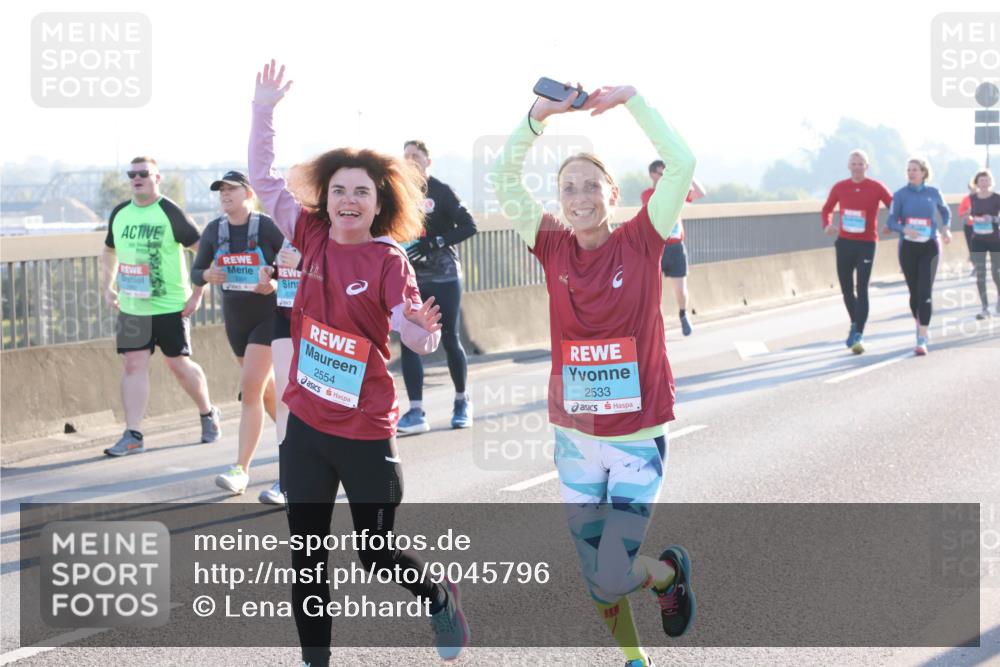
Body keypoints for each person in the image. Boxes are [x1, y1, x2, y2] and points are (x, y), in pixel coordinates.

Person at [249, 60, 469, 666]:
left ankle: (436, 596)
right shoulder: (310, 231)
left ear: (378, 204)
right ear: (327, 197)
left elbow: (408, 329)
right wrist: (263, 108)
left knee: (374, 551)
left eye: (361, 192)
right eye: (339, 190)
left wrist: (421, 333)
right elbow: (264, 180)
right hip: (308, 427)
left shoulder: (386, 259)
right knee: (307, 558)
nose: (348, 200)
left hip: (366, 428)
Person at [494, 82, 696, 667]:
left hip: (635, 439)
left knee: (613, 570)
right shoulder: (552, 245)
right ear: (559, 201)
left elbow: (681, 163)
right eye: (568, 188)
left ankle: (666, 574)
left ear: (613, 192)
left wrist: (633, 100)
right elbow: (504, 181)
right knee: (595, 573)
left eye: (591, 186)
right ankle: (634, 659)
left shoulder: (643, 238)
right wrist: (537, 118)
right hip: (576, 441)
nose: (580, 197)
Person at [101, 156, 221, 456]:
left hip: (170, 305)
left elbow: (203, 250)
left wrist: (197, 293)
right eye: (132, 174)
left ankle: (208, 413)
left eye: (143, 173)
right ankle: (133, 434)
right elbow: (108, 250)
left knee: (177, 364)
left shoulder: (169, 211)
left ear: (157, 178)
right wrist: (107, 286)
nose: (136, 178)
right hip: (132, 306)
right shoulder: (121, 213)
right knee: (133, 364)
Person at [191, 170, 285, 494]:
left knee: (250, 388)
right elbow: (197, 270)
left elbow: (293, 264)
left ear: (249, 194)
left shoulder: (267, 227)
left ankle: (240, 469)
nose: (225, 195)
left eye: (231, 189)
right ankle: (305, 446)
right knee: (268, 392)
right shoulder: (214, 230)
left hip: (269, 316)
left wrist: (273, 282)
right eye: (221, 191)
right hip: (236, 322)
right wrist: (208, 273)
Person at [396, 140, 478, 434]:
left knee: (449, 339)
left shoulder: (441, 191)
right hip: (411, 279)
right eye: (405, 156)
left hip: (444, 276)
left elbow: (469, 225)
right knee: (409, 340)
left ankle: (461, 401)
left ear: (428, 162)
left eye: (415, 156)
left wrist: (435, 242)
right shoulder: (396, 193)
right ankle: (416, 411)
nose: (409, 161)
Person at [820, 150, 893, 354]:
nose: (857, 167)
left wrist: (890, 224)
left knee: (862, 288)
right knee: (846, 289)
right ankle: (855, 323)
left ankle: (858, 333)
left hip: (866, 244)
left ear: (867, 167)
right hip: (844, 243)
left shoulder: (876, 187)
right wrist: (827, 224)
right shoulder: (840, 187)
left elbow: (894, 206)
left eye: (861, 164)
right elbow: (826, 209)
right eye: (854, 164)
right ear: (848, 166)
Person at [886, 158, 951, 356]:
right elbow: (891, 220)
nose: (911, 173)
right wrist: (904, 228)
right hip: (908, 248)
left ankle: (922, 337)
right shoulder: (900, 195)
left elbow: (945, 212)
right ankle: (920, 321)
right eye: (908, 170)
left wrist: (946, 228)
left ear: (924, 172)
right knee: (914, 292)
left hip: (930, 245)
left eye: (915, 169)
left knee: (925, 291)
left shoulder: (933, 193)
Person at [641, 161, 704, 337]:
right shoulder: (648, 195)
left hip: (676, 247)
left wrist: (686, 173)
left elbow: (700, 193)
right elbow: (658, 205)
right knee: (652, 290)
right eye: (663, 173)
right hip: (657, 247)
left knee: (680, 290)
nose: (666, 177)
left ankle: (683, 314)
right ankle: (653, 324)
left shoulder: (677, 192)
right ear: (654, 175)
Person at [967, 169, 1000, 319]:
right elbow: (969, 215)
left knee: (996, 273)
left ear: (990, 182)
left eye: (986, 180)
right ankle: (984, 308)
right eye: (981, 180)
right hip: (978, 239)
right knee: (981, 274)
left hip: (995, 240)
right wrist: (971, 218)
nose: (984, 183)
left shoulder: (997, 198)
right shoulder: (972, 198)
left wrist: (992, 219)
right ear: (977, 183)